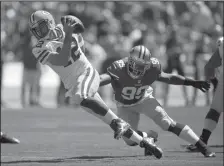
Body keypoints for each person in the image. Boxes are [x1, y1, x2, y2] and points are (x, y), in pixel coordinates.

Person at [29, 10, 162, 158]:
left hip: (86, 73)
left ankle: (120, 123)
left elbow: (80, 42)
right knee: (118, 129)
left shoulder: (63, 27)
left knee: (81, 96)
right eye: (36, 30)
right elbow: (62, 59)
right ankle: (146, 139)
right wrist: (68, 35)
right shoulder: (38, 48)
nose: (39, 32)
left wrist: (74, 43)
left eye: (41, 27)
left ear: (50, 23)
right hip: (73, 84)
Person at [99, 45, 216, 157]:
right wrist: (92, 83)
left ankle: (203, 147)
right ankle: (148, 137)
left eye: (142, 66)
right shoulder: (119, 67)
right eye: (137, 65)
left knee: (167, 123)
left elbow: (169, 78)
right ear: (129, 61)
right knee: (129, 140)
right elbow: (104, 78)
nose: (139, 69)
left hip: (144, 98)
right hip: (124, 105)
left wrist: (192, 82)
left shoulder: (152, 67)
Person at [187, 36, 223, 151]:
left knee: (214, 111)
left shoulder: (221, 43)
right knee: (214, 111)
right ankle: (203, 140)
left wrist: (212, 81)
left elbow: (210, 67)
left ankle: (203, 140)